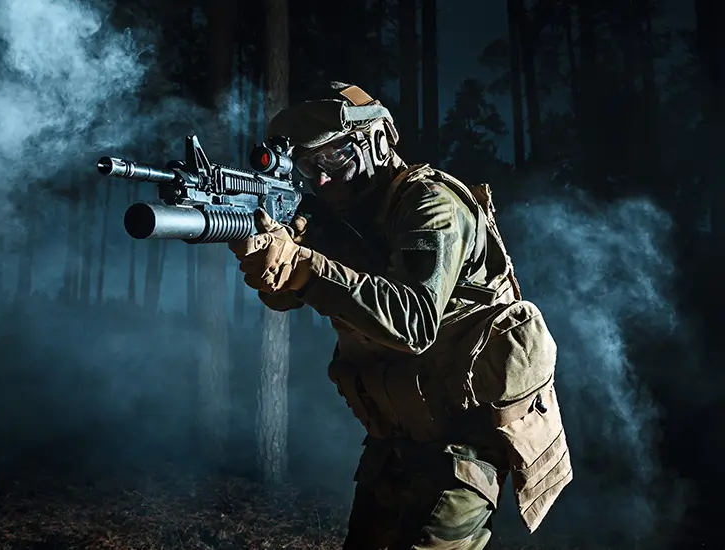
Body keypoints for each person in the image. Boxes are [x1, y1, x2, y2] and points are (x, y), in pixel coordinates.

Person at [228, 82, 572, 550]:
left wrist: (303, 266)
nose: (322, 180)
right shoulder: (345, 215)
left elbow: (412, 323)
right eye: (310, 168)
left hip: (463, 439)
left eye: (334, 159)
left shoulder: (431, 206)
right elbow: (290, 298)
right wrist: (275, 263)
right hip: (399, 434)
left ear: (377, 140)